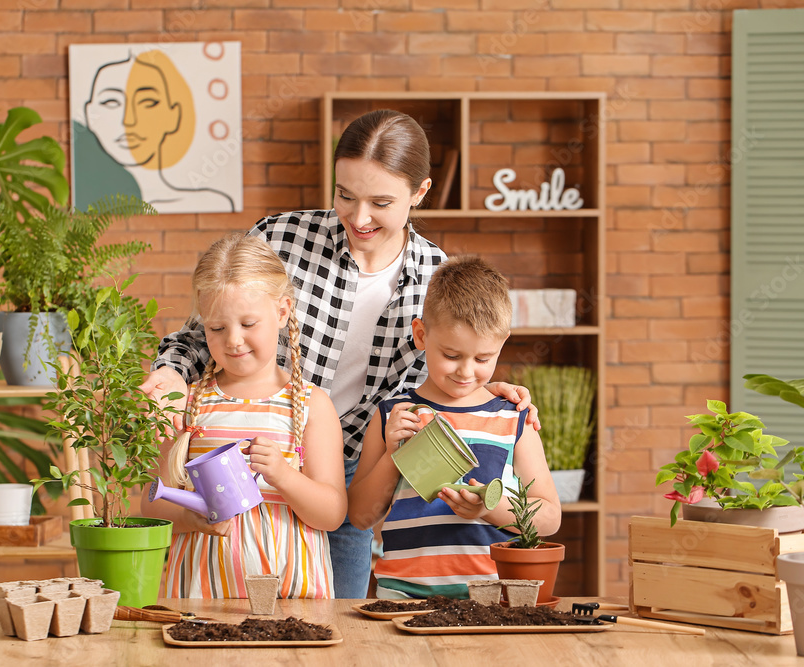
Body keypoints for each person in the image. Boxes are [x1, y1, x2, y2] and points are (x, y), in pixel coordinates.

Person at [140, 108, 538, 599]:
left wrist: (487, 389)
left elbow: (448, 362)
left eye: (381, 201)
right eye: (345, 195)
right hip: (268, 438)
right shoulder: (280, 238)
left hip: (354, 462)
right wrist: (173, 376)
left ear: (420, 193)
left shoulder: (436, 274)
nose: (359, 217)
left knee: (332, 614)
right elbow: (206, 331)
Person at [139, 234, 346, 598]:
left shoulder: (311, 405)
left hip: (292, 595)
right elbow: (152, 503)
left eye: (248, 324)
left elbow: (331, 515)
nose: (233, 340)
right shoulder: (188, 404)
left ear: (282, 312)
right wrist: (191, 519)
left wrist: (282, 475)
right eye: (217, 328)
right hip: (204, 594)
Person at [347, 255, 561, 598]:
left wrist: (489, 507)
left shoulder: (513, 418)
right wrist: (392, 455)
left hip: (493, 599)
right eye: (451, 355)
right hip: (403, 597)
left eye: (482, 359)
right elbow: (359, 517)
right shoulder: (393, 416)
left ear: (502, 343)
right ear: (421, 334)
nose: (465, 372)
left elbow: (549, 517)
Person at [76, 49, 235, 213]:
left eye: (148, 102)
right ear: (89, 113)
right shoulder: (91, 210)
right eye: (111, 102)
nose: (129, 120)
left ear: (173, 115)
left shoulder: (214, 201)